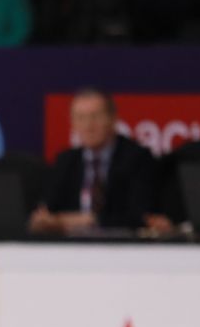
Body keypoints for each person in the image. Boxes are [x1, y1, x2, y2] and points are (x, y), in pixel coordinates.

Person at [30, 87, 157, 233]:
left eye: (95, 116)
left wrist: (89, 220)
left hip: (121, 247)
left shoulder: (137, 158)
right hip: (70, 248)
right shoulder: (66, 160)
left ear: (113, 119)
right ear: (72, 123)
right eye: (80, 118)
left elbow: (139, 217)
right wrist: (43, 220)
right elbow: (48, 210)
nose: (88, 126)